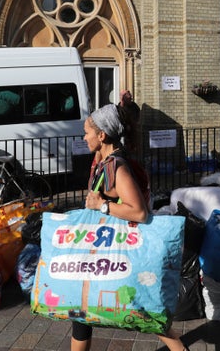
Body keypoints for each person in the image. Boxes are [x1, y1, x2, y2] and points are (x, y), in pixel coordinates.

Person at [75, 103, 187, 351]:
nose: (84, 137)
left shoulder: (118, 168)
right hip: (106, 245)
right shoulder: (106, 158)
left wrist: (101, 205)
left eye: (87, 132)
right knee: (82, 312)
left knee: (141, 308)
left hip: (120, 248)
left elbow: (139, 212)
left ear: (102, 135)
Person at [117, 89, 141, 156]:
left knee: (135, 152)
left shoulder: (134, 106)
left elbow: (138, 114)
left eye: (131, 98)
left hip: (134, 134)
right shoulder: (119, 109)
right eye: (129, 98)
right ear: (123, 98)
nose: (131, 99)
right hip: (124, 135)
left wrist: (135, 123)